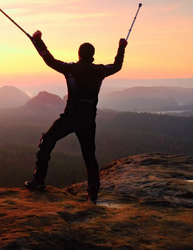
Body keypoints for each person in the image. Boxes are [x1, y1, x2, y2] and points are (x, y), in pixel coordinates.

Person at [25, 30, 128, 204]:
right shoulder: (100, 71)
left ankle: (39, 180)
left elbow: (48, 59)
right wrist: (121, 48)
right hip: (88, 120)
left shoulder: (71, 69)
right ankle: (93, 194)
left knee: (47, 143)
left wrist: (38, 41)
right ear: (92, 56)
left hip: (70, 117)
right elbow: (117, 66)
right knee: (90, 157)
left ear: (79, 55)